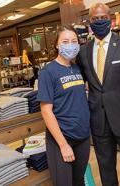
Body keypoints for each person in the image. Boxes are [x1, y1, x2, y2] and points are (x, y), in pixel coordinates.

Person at [77, 3, 120, 186]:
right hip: (99, 123)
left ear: (111, 19)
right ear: (89, 22)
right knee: (106, 172)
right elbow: (80, 84)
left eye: (103, 18)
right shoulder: (83, 51)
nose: (99, 21)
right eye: (95, 19)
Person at [37, 25, 90, 186]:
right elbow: (46, 111)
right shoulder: (48, 72)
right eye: (65, 41)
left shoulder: (77, 68)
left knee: (79, 181)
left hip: (83, 136)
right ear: (57, 45)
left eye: (74, 41)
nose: (70, 45)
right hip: (62, 137)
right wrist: (63, 144)